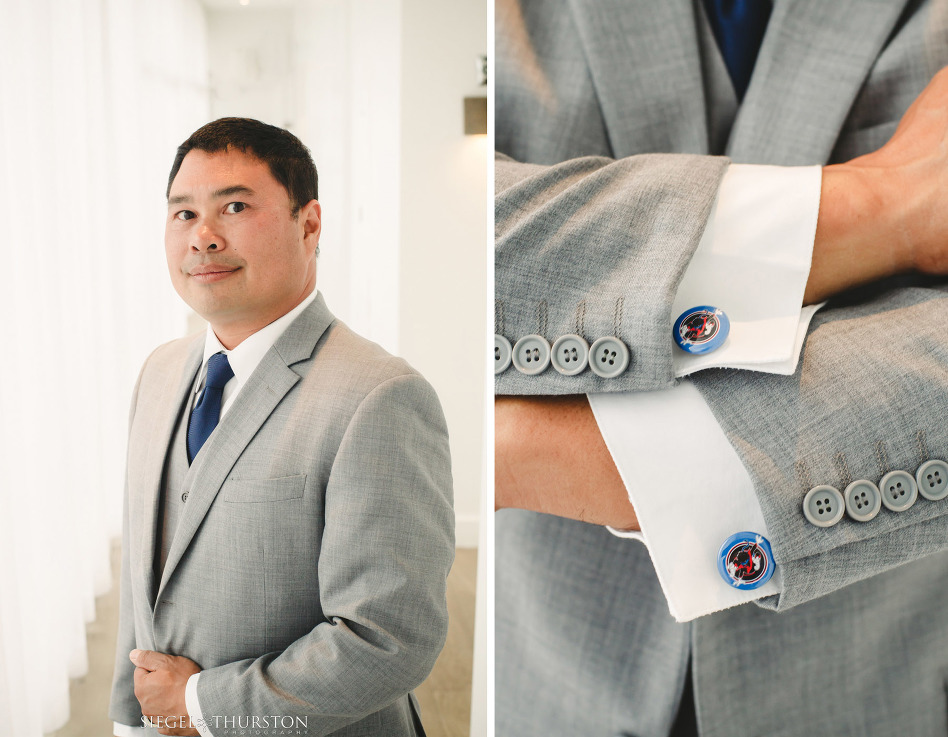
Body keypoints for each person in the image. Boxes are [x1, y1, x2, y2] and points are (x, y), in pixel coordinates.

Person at [494, 0, 948, 735]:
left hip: (860, 687)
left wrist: (525, 452)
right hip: (547, 682)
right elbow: (472, 245)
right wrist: (887, 204)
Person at [107, 117, 454, 737]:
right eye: (183, 214)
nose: (203, 237)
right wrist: (132, 720)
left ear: (309, 223)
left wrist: (199, 706)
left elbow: (388, 639)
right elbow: (143, 578)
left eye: (234, 206)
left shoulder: (380, 396)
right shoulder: (158, 373)